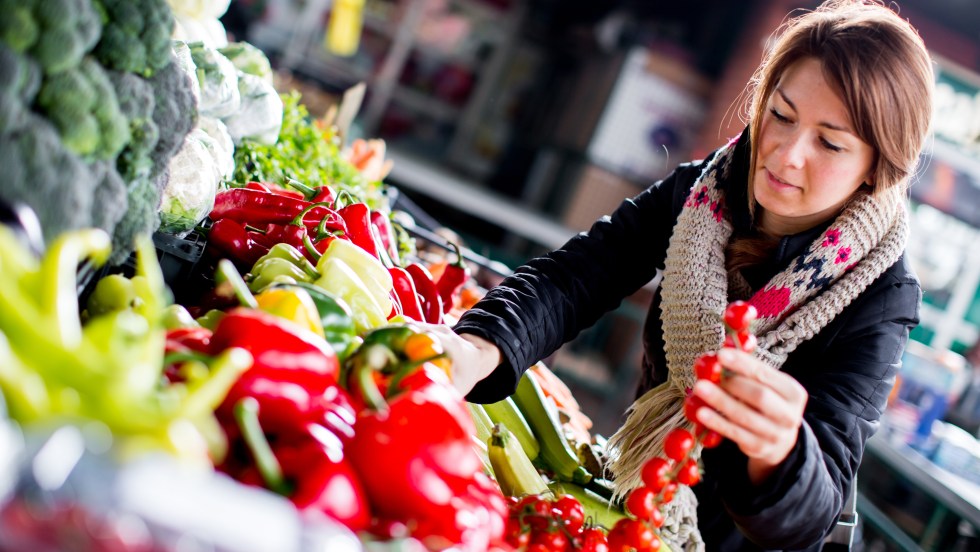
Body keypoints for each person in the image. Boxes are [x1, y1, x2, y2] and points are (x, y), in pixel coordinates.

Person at [426, 0, 934, 550]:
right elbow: (577, 276)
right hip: (635, 506)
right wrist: (478, 348)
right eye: (781, 115)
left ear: (876, 170)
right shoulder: (703, 194)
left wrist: (782, 450)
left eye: (830, 143)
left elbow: (817, 507)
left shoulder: (881, 294)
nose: (786, 155)